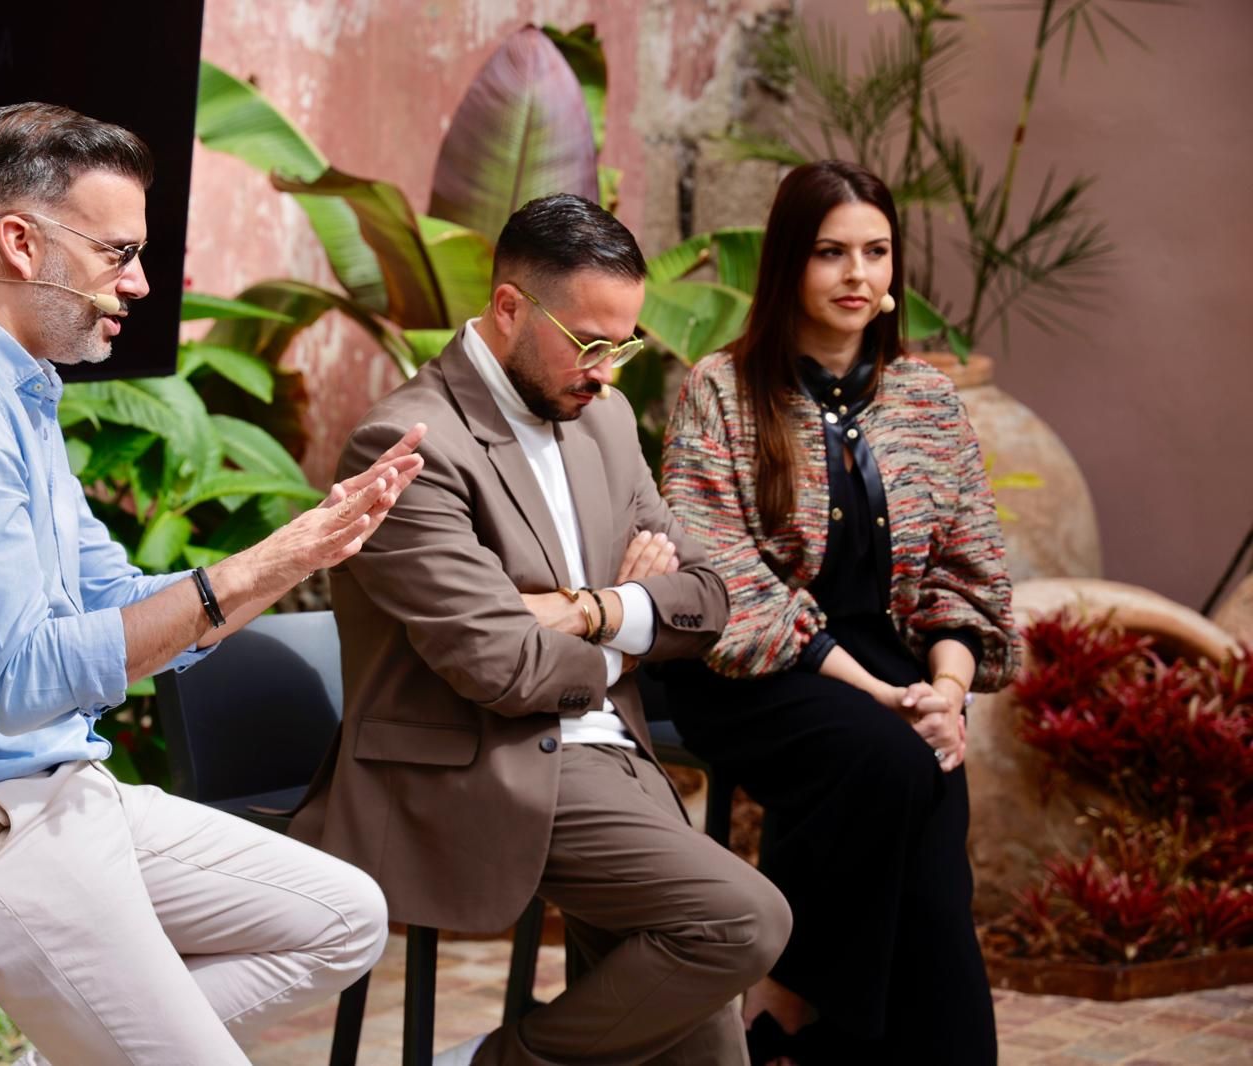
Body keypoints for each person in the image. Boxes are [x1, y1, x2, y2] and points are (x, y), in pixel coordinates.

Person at [0, 102, 427, 1065]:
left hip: (50, 798)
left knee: (342, 918)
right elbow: (25, 681)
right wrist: (255, 566)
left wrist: (305, 555)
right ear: (19, 243)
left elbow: (116, 600)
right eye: (116, 252)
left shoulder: (15, 385)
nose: (139, 282)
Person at [291, 193, 791, 1066]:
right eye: (590, 343)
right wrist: (633, 625)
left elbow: (713, 595)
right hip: (489, 762)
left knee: (693, 1015)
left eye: (623, 345)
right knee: (741, 920)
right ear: (510, 307)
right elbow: (503, 668)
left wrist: (593, 608)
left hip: (615, 753)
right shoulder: (407, 444)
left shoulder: (598, 419)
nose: (608, 370)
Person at [659, 159, 1017, 1064]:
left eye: (876, 252)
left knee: (926, 782)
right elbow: (719, 573)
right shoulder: (721, 390)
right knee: (894, 760)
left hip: (891, 663)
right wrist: (880, 693)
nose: (858, 275)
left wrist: (946, 688)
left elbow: (969, 570)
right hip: (746, 666)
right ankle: (792, 996)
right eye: (831, 253)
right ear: (789, 263)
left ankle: (798, 1017)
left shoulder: (928, 402)